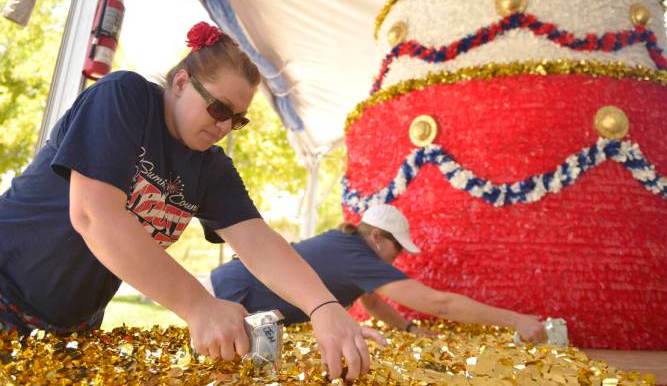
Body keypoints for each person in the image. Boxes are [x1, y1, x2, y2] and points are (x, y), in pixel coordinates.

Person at [0, 22, 380, 381]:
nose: (225, 126)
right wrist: (199, 306)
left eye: (238, 120)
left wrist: (323, 307)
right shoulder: (124, 97)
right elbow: (93, 215)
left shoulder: (211, 168)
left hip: (68, 326)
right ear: (181, 82)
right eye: (219, 109)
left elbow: (258, 243)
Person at [211, 204, 549, 343]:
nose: (397, 260)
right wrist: (516, 321)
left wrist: (410, 328)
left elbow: (371, 302)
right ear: (376, 237)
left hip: (240, 296)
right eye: (397, 249)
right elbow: (441, 304)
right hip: (233, 302)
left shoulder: (344, 245)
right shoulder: (356, 255)